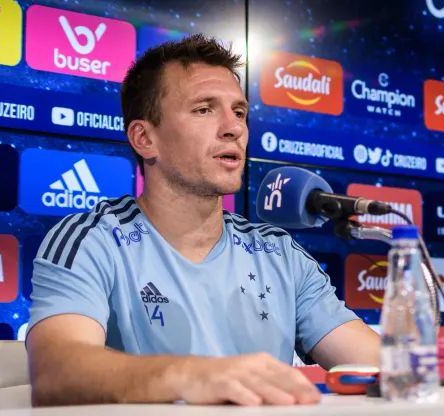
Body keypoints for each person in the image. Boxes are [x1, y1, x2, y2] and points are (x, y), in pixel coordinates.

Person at [25, 33, 380, 407]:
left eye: (239, 112)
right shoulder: (91, 241)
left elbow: (373, 362)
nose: (234, 128)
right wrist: (191, 376)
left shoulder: (279, 253)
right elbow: (55, 373)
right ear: (145, 139)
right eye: (204, 109)